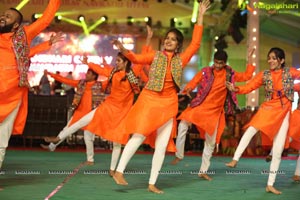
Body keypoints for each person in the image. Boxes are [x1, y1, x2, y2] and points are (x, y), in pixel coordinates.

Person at [110, 0, 210, 194]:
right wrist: (123, 49)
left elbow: (196, 43)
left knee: (162, 145)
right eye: (167, 38)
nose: (168, 40)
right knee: (138, 135)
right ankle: (119, 171)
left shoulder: (181, 59)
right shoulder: (155, 56)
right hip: (150, 100)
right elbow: (137, 59)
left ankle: (152, 182)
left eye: (173, 39)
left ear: (179, 44)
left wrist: (201, 16)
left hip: (169, 104)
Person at [42, 52, 142, 176]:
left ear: (126, 63)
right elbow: (100, 69)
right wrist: (88, 63)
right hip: (107, 107)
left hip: (121, 112)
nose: (116, 63)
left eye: (119, 61)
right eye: (116, 60)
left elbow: (138, 73)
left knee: (116, 141)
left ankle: (112, 169)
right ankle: (58, 138)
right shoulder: (113, 73)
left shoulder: (131, 76)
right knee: (81, 122)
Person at [170, 49, 255, 181]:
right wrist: (188, 89)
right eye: (216, 62)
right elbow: (194, 81)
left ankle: (203, 171)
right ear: (213, 61)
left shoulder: (229, 74)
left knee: (210, 142)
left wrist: (249, 60)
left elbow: (247, 76)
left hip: (215, 112)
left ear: (225, 63)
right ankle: (179, 154)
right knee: (182, 124)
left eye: (221, 63)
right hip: (200, 106)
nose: (218, 65)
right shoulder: (206, 71)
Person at [225, 47, 300, 194]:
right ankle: (235, 159)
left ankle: (270, 184)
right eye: (269, 58)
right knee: (251, 128)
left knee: (278, 151)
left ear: (281, 60)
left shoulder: (290, 72)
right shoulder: (264, 75)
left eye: (273, 58)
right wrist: (236, 89)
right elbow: (249, 86)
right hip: (267, 108)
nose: (270, 61)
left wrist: (295, 86)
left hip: (283, 112)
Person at [0, 0, 61, 170]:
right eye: (3, 15)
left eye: (8, 16)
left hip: (12, 95)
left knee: (1, 139)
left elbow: (44, 20)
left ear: (16, 25)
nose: (3, 17)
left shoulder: (22, 36)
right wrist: (46, 44)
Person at [42, 69, 106, 165]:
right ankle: (52, 146)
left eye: (88, 73)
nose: (86, 74)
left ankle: (90, 160)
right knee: (67, 129)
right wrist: (51, 74)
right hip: (79, 113)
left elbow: (112, 80)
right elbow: (66, 80)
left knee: (88, 137)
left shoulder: (101, 85)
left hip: (91, 114)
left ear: (94, 76)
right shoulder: (81, 83)